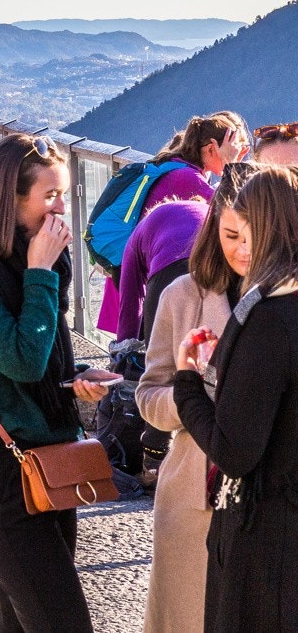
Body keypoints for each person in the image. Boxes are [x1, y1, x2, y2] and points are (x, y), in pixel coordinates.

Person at [0, 134, 120, 633]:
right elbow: (21, 361)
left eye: (64, 194)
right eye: (50, 195)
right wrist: (40, 272)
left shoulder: (39, 258)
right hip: (0, 472)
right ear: (8, 199)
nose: (61, 208)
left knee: (22, 620)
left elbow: (45, 359)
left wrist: (75, 379)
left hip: (51, 460)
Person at [174, 166, 298, 633]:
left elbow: (233, 451)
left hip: (266, 543)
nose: (242, 249)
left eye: (246, 233)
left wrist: (188, 384)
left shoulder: (268, 319)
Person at [135, 164, 253, 633]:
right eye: (231, 235)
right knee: (188, 617)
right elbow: (149, 393)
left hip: (268, 497)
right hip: (193, 493)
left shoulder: (284, 299)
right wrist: (192, 398)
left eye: (256, 235)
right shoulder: (182, 294)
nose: (243, 249)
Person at [96, 111, 248, 333]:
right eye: (233, 148)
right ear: (211, 149)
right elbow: (231, 209)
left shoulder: (178, 167)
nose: (238, 154)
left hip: (142, 264)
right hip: (152, 271)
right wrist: (230, 164)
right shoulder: (187, 178)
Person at [115, 197, 210, 344]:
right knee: (212, 346)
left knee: (158, 351)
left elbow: (130, 299)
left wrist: (124, 345)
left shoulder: (139, 232)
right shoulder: (207, 210)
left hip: (167, 269)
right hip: (212, 265)